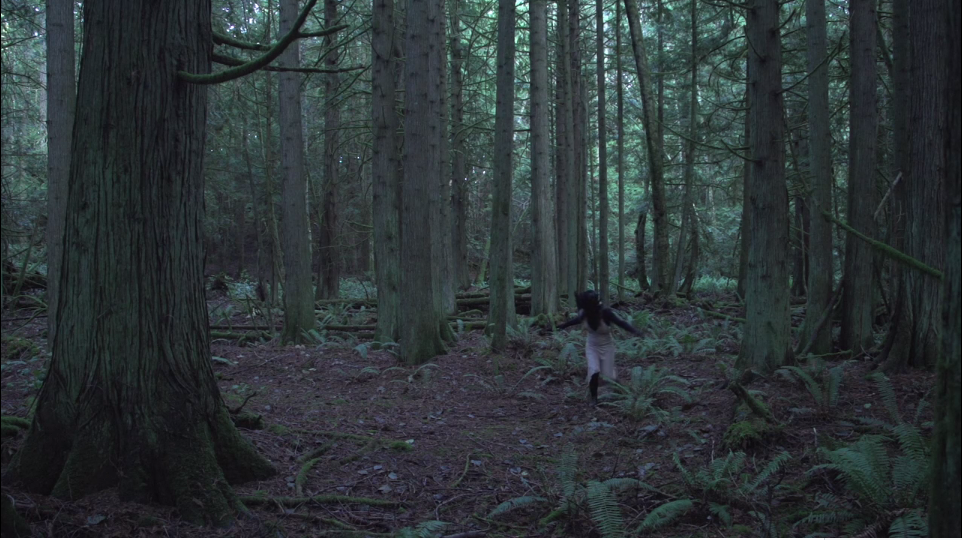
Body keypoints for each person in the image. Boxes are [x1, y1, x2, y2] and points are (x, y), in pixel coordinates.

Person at [558, 290, 644, 404]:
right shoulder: (584, 314)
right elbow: (573, 322)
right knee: (594, 370)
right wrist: (559, 327)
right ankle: (594, 398)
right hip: (592, 346)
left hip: (607, 346)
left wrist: (635, 331)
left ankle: (619, 389)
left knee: (608, 375)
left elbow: (621, 323)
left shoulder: (606, 313)